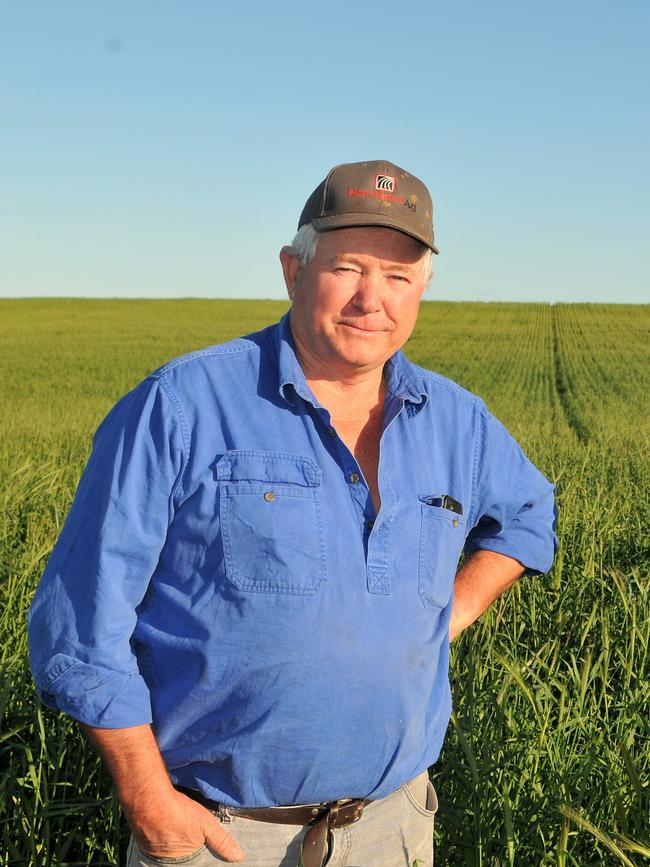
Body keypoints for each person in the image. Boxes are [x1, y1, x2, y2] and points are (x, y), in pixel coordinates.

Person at [28, 160, 557, 867]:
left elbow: (528, 514)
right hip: (219, 836)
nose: (374, 298)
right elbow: (78, 619)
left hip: (393, 826)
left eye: (399, 276)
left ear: (424, 286)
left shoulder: (456, 422)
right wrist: (147, 797)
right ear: (292, 269)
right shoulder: (183, 405)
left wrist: (448, 613)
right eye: (349, 267)